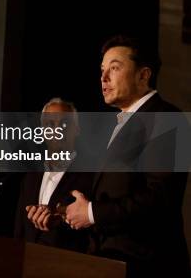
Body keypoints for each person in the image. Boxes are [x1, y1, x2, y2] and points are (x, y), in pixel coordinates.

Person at [65, 35, 190, 277]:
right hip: (105, 262)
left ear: (143, 75)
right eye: (102, 70)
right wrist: (66, 213)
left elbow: (161, 198)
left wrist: (91, 213)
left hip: (146, 266)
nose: (103, 78)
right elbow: (114, 193)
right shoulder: (117, 125)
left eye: (114, 68)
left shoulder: (167, 118)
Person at [14, 98, 93, 253]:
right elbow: (19, 230)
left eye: (64, 124)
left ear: (76, 129)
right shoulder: (30, 177)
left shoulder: (90, 176)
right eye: (50, 124)